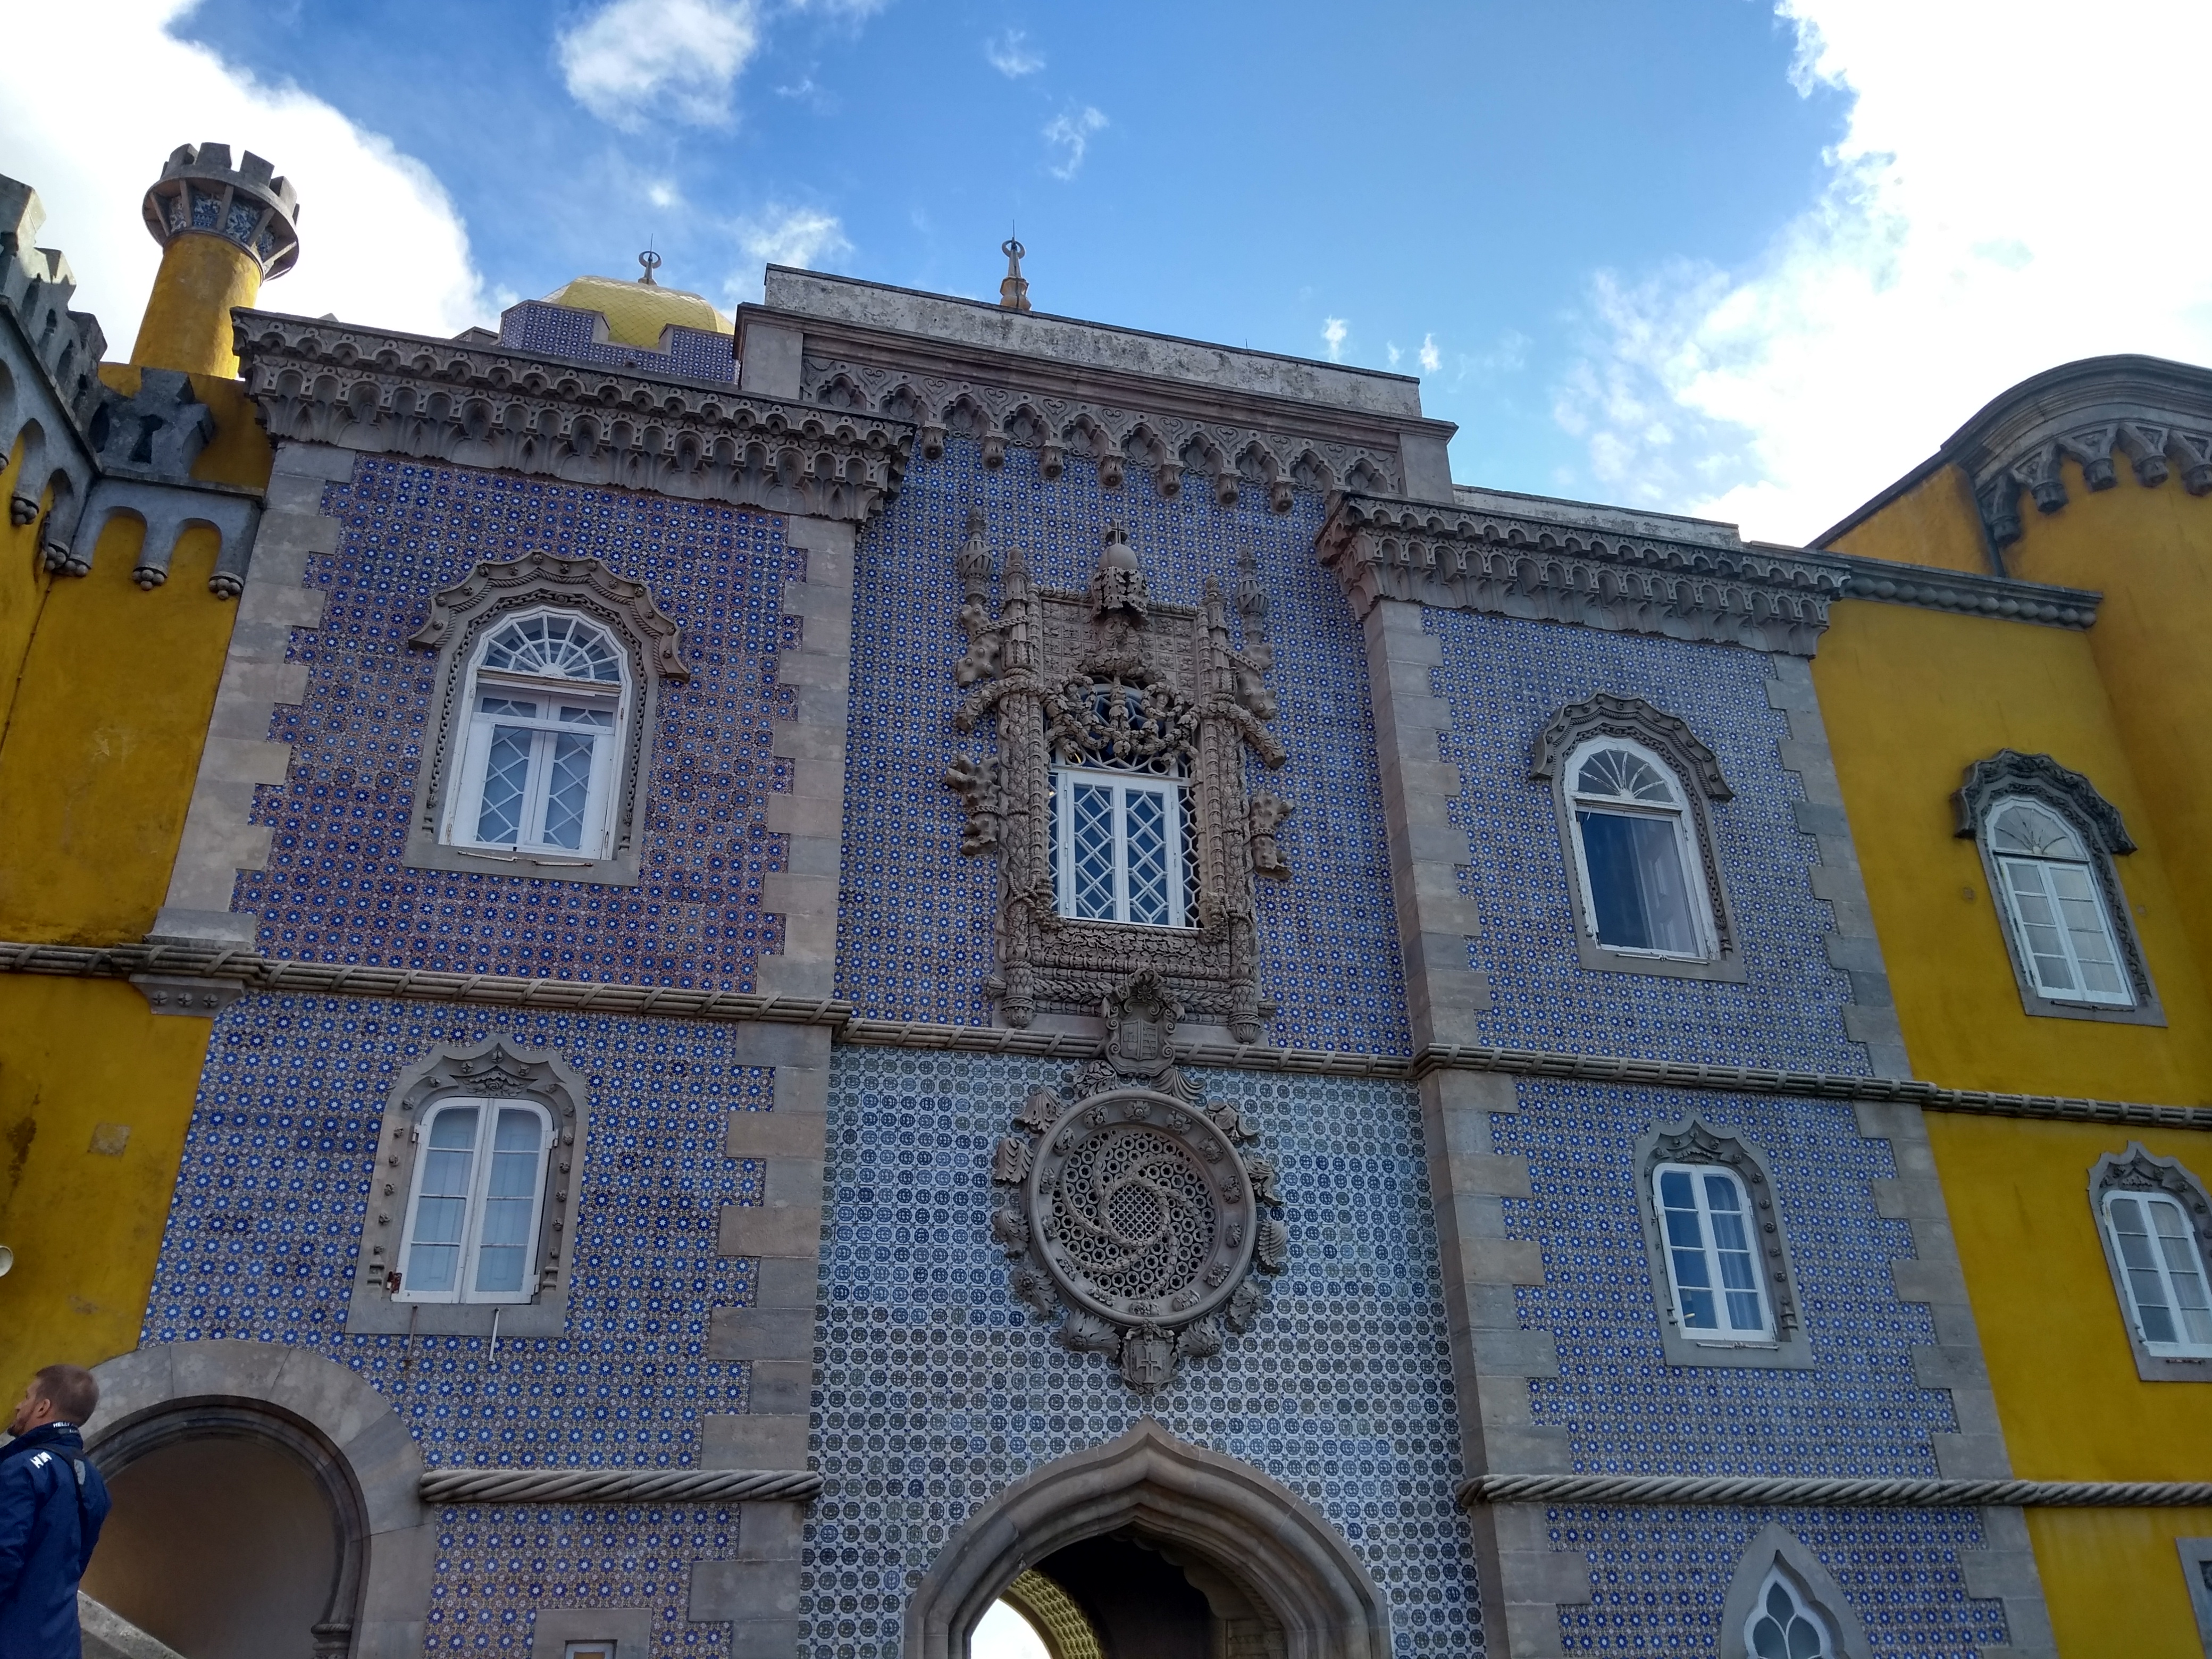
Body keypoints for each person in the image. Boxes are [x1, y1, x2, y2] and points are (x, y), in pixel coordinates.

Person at [0, 1366, 111, 1659]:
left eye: (27, 1397)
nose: (18, 1405)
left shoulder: (22, 1469)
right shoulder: (95, 1484)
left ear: (43, 1407)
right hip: (60, 1645)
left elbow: (3, 1557)